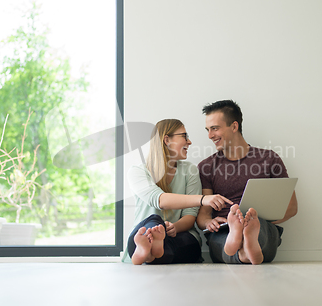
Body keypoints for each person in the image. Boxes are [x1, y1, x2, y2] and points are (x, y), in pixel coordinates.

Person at [196, 100, 298, 264]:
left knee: (259, 229)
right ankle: (244, 248)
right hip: (224, 230)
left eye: (215, 128)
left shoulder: (269, 159)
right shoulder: (206, 166)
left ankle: (245, 244)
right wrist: (209, 222)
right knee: (224, 237)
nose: (210, 135)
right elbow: (203, 216)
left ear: (234, 126)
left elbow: (292, 207)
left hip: (261, 226)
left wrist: (251, 221)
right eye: (208, 130)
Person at [123, 119, 233, 265]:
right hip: (142, 233)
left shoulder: (190, 170)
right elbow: (159, 200)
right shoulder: (138, 171)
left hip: (179, 236)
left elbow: (190, 215)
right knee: (155, 222)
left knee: (186, 242)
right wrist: (202, 199)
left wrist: (175, 227)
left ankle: (150, 254)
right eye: (184, 136)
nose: (189, 142)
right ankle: (150, 245)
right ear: (167, 140)